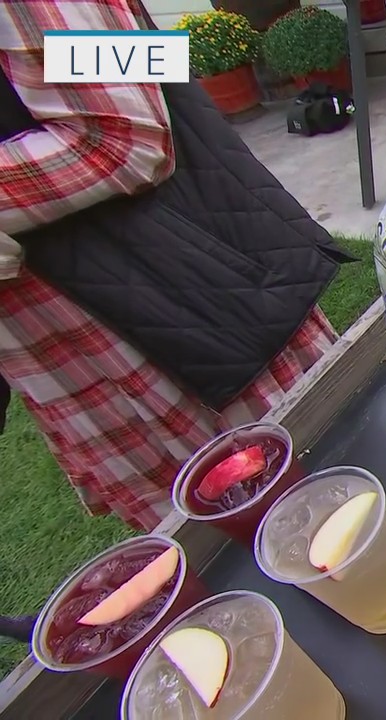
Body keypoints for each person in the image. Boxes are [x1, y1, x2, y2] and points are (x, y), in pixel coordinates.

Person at [0, 0, 351, 531]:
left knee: (324, 498)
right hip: (73, 331)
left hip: (174, 311)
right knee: (218, 543)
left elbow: (122, 137)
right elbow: (155, 59)